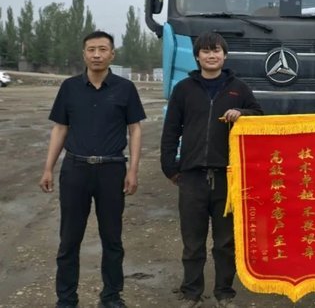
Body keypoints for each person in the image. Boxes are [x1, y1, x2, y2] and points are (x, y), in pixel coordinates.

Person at [39, 31, 146, 308]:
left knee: (112, 238)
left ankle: (111, 296)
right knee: (69, 239)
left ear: (112, 54)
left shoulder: (125, 88)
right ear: (84, 54)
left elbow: (134, 130)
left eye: (102, 49)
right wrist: (48, 168)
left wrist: (133, 170)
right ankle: (66, 299)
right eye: (91, 50)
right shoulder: (69, 88)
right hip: (75, 170)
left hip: (112, 170)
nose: (96, 55)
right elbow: (60, 128)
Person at [160, 32, 263, 308]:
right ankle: (191, 292)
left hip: (227, 177)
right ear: (197, 56)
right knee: (192, 241)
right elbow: (171, 131)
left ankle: (224, 293)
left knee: (225, 242)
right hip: (192, 176)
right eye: (205, 51)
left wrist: (243, 114)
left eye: (216, 51)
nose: (211, 56)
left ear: (224, 55)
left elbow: (259, 117)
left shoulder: (239, 89)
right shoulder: (184, 89)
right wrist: (170, 168)